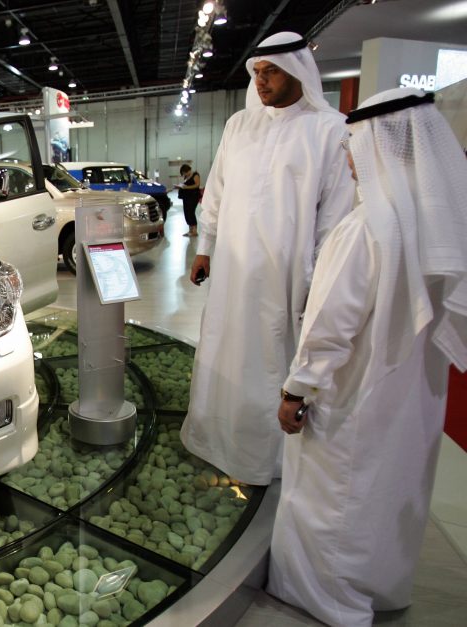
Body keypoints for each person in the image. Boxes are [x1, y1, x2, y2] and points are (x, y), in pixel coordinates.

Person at [268, 88, 466, 627]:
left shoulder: (365, 228)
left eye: (355, 144)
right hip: (415, 391)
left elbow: (330, 325)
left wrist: (296, 390)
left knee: (335, 496)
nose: (349, 158)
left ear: (381, 145)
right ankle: (382, 586)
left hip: (356, 390)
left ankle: (329, 597)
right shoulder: (438, 218)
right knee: (391, 486)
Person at [179, 31, 355, 486]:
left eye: (271, 71)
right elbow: (215, 192)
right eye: (257, 71)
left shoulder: (330, 129)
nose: (262, 81)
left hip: (287, 273)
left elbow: (333, 215)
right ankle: (215, 440)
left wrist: (320, 276)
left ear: (297, 70)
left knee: (271, 356)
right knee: (225, 345)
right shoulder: (239, 125)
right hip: (234, 268)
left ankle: (265, 458)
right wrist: (205, 248)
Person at [175, 164, 201, 237]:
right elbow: (184, 185)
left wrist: (186, 187)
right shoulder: (186, 176)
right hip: (186, 197)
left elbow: (197, 185)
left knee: (191, 212)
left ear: (187, 170)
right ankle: (190, 230)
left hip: (193, 196)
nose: (184, 174)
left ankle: (195, 231)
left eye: (184, 173)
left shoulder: (195, 175)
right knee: (186, 213)